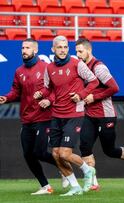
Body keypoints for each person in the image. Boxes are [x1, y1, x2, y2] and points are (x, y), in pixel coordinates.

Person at [75, 38, 124, 191]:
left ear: (89, 50)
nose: (78, 54)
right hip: (90, 115)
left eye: (80, 51)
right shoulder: (81, 68)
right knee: (84, 146)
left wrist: (94, 97)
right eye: (76, 52)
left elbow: (114, 88)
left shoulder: (99, 67)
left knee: (110, 150)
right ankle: (94, 182)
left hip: (105, 115)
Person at [0, 38, 70, 195]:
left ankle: (63, 167)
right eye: (22, 48)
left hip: (44, 118)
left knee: (39, 152)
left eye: (27, 48)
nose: (24, 50)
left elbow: (56, 90)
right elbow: (15, 91)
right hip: (27, 119)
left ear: (35, 50)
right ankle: (46, 186)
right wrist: (7, 98)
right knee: (28, 154)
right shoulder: (19, 71)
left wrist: (49, 100)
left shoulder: (46, 68)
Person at [33, 35, 99, 196]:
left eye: (65, 47)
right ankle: (75, 186)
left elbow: (94, 81)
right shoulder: (49, 68)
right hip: (57, 114)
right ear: (53, 49)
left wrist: (81, 95)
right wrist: (41, 93)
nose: (63, 50)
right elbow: (49, 89)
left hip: (74, 113)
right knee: (56, 154)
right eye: (59, 47)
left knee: (65, 153)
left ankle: (87, 169)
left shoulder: (77, 64)